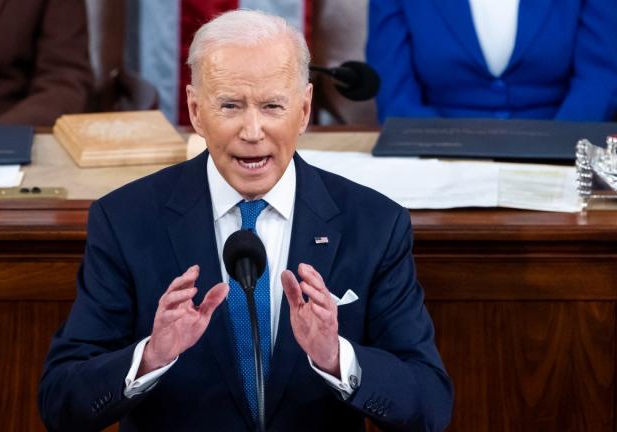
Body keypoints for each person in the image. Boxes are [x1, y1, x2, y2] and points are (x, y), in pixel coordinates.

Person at [39, 9, 452, 432]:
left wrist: (338, 357)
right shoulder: (126, 220)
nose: (252, 131)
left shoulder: (375, 225)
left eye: (273, 106)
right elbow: (60, 403)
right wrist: (149, 357)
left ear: (305, 108)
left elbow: (430, 406)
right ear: (196, 111)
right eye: (230, 106)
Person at [366, 0, 617, 124]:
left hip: (560, 155)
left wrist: (552, 147)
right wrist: (445, 150)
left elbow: (600, 78)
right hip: (436, 160)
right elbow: (394, 90)